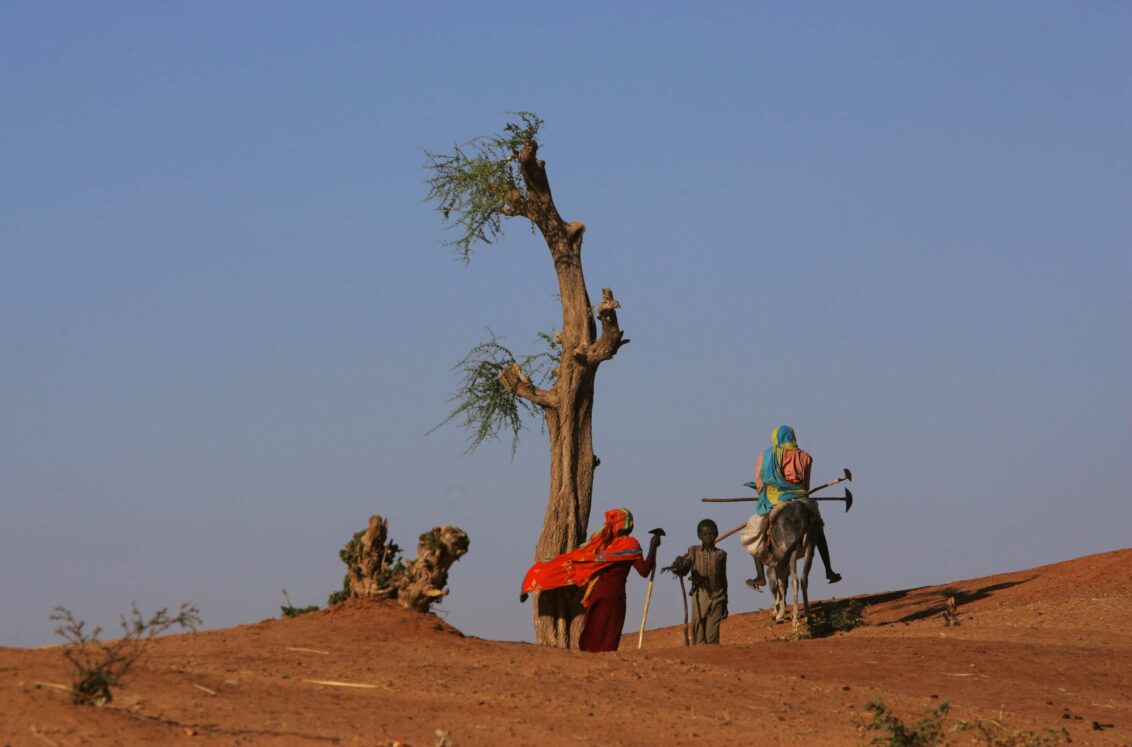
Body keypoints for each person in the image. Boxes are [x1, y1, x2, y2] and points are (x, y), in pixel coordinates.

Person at [520, 508, 661, 652]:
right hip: (616, 598)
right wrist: (653, 547)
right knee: (609, 639)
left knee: (592, 634)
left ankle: (532, 580)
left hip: (597, 595)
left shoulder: (601, 544)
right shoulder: (632, 546)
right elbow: (644, 571)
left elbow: (581, 556)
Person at [740, 425, 841, 590]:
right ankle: (829, 570)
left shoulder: (767, 455)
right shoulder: (806, 457)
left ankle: (760, 576)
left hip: (776, 499)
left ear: (776, 439)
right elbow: (806, 486)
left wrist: (763, 492)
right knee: (818, 529)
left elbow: (760, 482)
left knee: (755, 531)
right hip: (801, 499)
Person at [665, 519, 728, 645]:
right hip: (700, 595)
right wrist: (678, 566)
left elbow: (723, 578)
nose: (709, 537)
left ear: (716, 534)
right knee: (698, 628)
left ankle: (712, 657)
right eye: (705, 534)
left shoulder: (721, 554)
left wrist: (725, 601)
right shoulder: (693, 551)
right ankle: (699, 655)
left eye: (712, 534)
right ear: (699, 536)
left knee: (713, 633)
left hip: (718, 595)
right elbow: (684, 567)